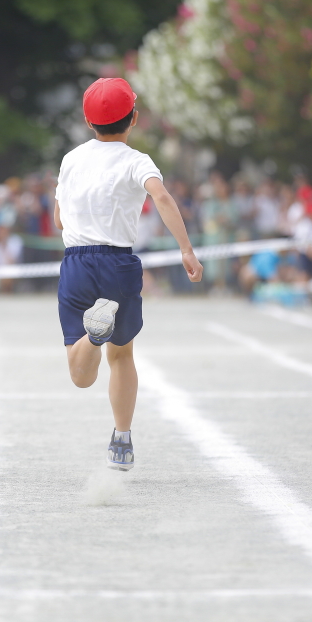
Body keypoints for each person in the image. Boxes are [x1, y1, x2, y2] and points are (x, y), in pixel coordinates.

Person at [54, 77, 203, 471]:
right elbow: (162, 198)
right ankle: (121, 439)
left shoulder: (71, 160)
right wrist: (186, 250)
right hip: (117, 262)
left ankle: (91, 333)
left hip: (76, 260)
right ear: (133, 118)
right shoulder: (136, 161)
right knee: (121, 357)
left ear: (88, 122)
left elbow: (58, 218)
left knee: (80, 374)